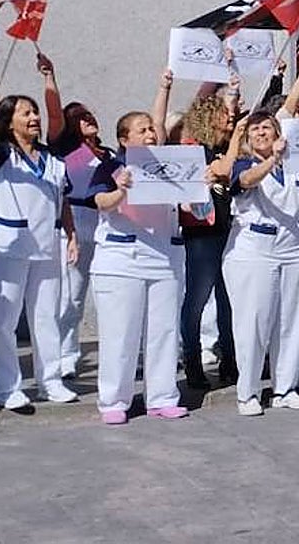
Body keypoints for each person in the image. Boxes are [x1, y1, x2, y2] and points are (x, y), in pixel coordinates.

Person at [0, 90, 78, 410]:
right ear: (9, 123)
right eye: (26, 113)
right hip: (7, 248)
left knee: (47, 316)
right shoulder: (0, 154)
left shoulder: (52, 160)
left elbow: (62, 201)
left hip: (47, 246)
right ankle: (7, 387)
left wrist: (72, 235)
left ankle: (51, 381)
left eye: (35, 112)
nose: (34, 118)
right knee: (3, 321)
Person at [88, 111, 188, 424]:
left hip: (163, 260)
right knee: (121, 333)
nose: (150, 134)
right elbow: (100, 202)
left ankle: (161, 396)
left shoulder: (168, 167)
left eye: (151, 129)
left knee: (164, 332)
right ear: (124, 138)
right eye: (142, 130)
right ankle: (114, 400)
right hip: (122, 260)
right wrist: (123, 190)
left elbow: (185, 204)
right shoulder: (110, 166)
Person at [223, 112, 299, 413]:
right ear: (247, 138)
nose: (261, 133)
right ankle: (247, 393)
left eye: (267, 127)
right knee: (254, 322)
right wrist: (272, 160)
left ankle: (284, 388)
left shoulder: (294, 165)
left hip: (293, 244)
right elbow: (246, 181)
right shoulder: (243, 164)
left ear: (278, 133)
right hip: (254, 248)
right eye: (255, 129)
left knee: (291, 320)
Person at [38, 52, 115, 380]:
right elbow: (54, 115)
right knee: (71, 297)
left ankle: (118, 354)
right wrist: (50, 78)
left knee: (109, 295)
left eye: (90, 113)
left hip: (107, 226)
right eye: (81, 116)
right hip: (75, 223)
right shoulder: (63, 149)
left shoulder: (110, 153)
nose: (89, 118)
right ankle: (65, 355)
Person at [176, 89, 238, 389]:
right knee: (197, 299)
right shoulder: (192, 149)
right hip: (201, 233)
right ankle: (193, 362)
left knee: (229, 302)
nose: (230, 119)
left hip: (228, 230)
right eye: (224, 114)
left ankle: (231, 360)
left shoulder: (223, 148)